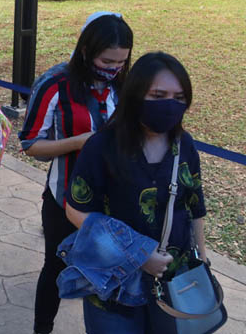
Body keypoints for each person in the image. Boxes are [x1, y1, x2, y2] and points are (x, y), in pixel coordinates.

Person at [65, 52, 206, 332]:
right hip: (113, 284)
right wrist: (139, 255)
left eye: (178, 98)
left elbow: (194, 205)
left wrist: (201, 260)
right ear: (135, 95)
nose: (169, 104)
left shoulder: (184, 145)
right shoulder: (102, 147)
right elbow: (76, 209)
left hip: (173, 281)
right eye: (158, 95)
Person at [19, 12, 133, 334]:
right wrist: (80, 143)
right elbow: (30, 144)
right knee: (55, 267)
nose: (113, 69)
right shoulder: (55, 83)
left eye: (121, 62)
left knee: (108, 274)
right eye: (107, 60)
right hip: (64, 198)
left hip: (114, 202)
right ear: (85, 50)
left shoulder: (124, 85)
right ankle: (43, 328)